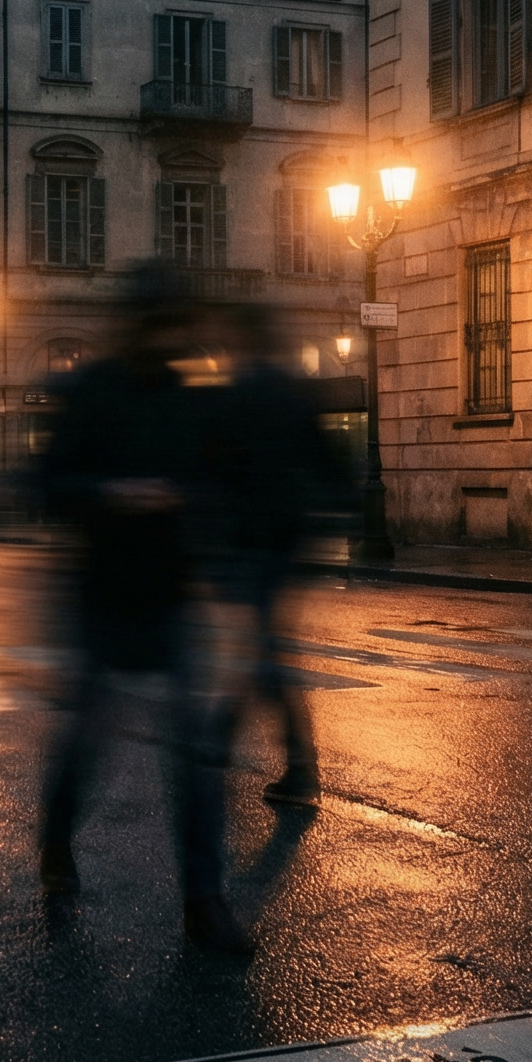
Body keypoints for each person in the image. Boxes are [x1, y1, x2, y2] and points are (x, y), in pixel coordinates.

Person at [38, 264, 251, 954]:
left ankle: (203, 899)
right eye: (163, 324)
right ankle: (56, 839)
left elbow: (216, 480)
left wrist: (201, 518)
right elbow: (47, 484)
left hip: (171, 592)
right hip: (104, 593)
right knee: (88, 742)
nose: (173, 337)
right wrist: (115, 493)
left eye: (178, 325)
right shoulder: (93, 391)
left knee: (193, 754)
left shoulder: (193, 396)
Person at [202, 303, 333, 808]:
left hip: (253, 539)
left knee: (265, 651)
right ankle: (228, 740)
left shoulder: (237, 392)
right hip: (287, 538)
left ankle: (294, 765)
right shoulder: (292, 391)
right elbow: (325, 463)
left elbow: (218, 472)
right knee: (263, 647)